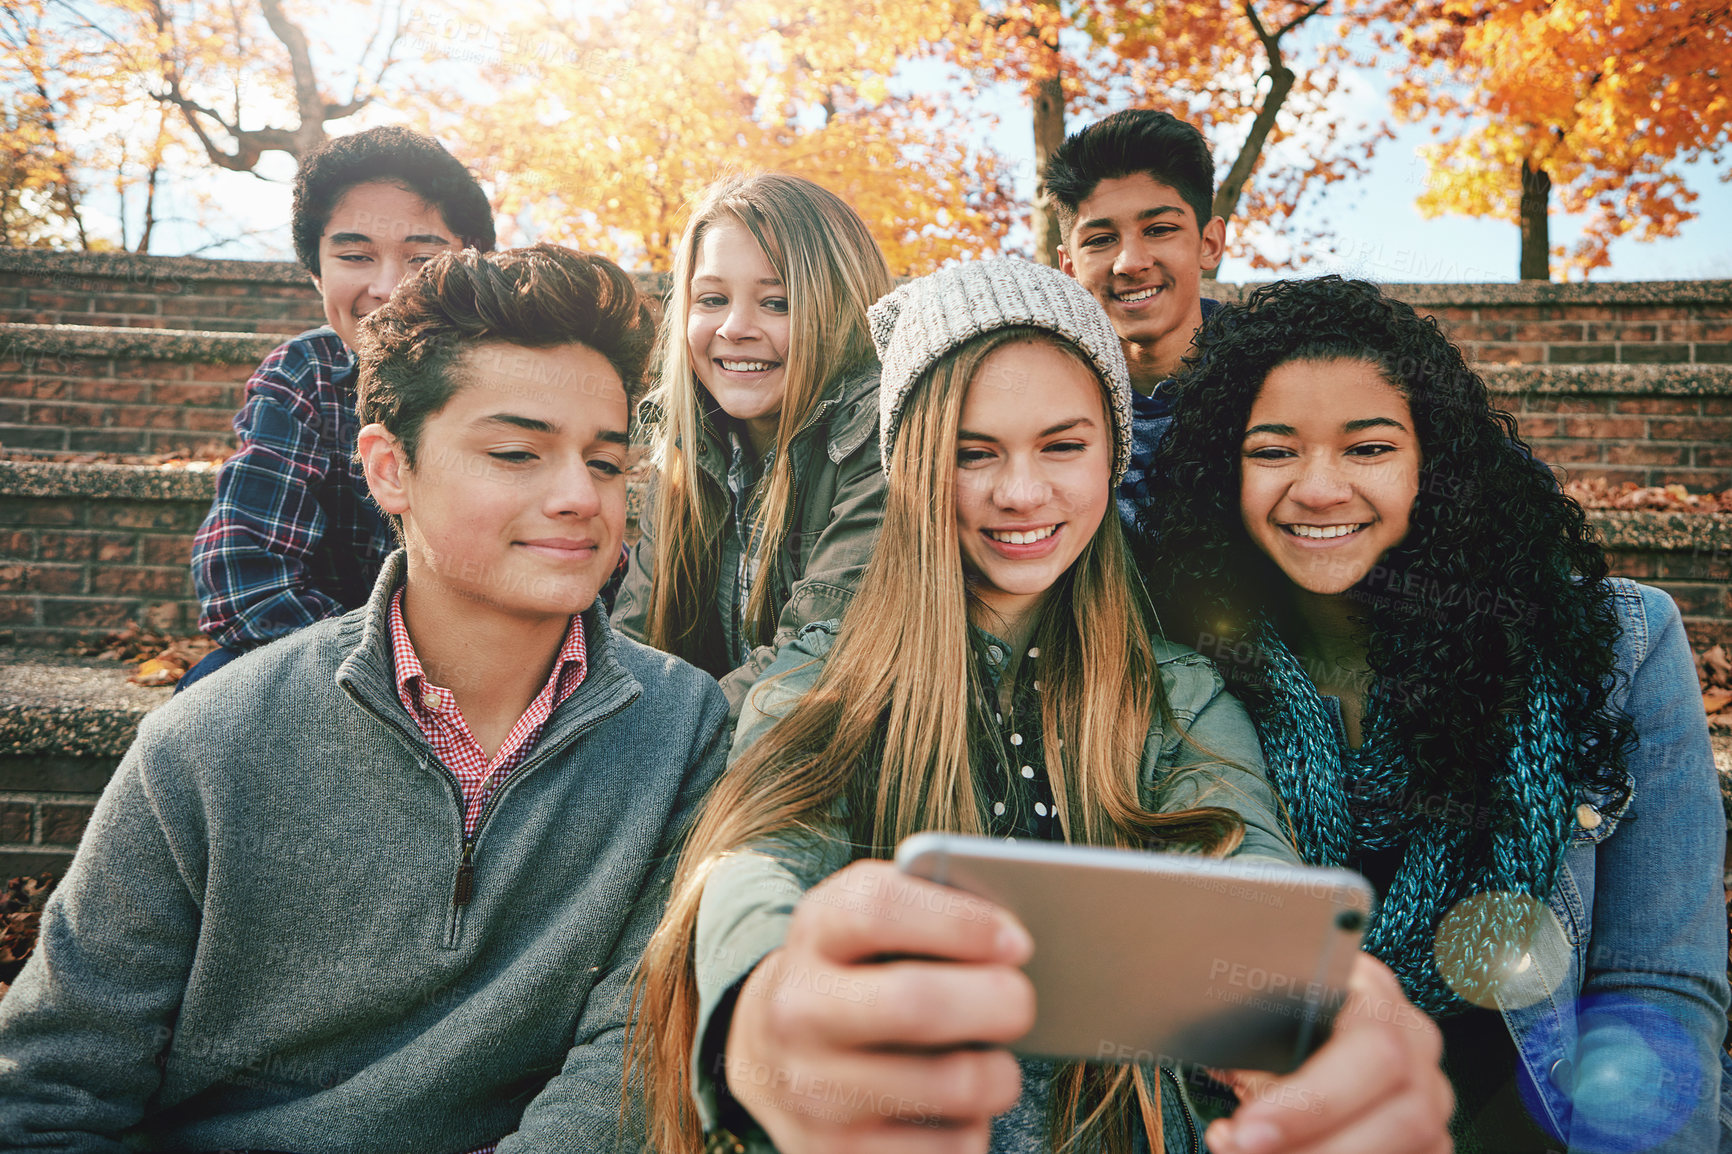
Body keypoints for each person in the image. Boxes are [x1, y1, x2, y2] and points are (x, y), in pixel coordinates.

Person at [629, 259, 1454, 1154]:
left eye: (1063, 445)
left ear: (1113, 451)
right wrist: (761, 997)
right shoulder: (821, 677)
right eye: (972, 452)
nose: (1020, 493)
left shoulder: (1177, 692)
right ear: (909, 466)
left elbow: (1248, 877)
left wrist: (1309, 1020)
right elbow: (757, 858)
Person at [0, 245, 728, 1151]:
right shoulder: (208, 743)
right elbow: (51, 1092)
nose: (580, 496)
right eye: (516, 452)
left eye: (608, 463)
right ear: (389, 469)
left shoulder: (686, 729)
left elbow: (630, 1059)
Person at [1138, 275, 1730, 1152]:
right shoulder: (1179, 672)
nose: (1320, 487)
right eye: (1272, 451)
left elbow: (1659, 982)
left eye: (1368, 448)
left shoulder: (1616, 644)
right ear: (1224, 471)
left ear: (1432, 465)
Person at [182, 125, 495, 691]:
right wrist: (388, 676)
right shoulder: (304, 375)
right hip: (329, 655)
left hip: (498, 664)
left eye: (422, 258)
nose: (388, 287)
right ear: (316, 272)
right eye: (355, 255)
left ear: (474, 267)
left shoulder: (518, 378)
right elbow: (244, 581)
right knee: (210, 690)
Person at [611, 172, 892, 716]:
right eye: (712, 298)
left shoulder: (882, 437)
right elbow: (634, 642)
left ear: (841, 310)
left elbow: (813, 662)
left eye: (778, 303)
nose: (735, 327)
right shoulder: (687, 447)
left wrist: (648, 746)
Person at [1040, 108, 1227, 529]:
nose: (1130, 263)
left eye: (1159, 229)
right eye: (1101, 240)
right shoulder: (1041, 399)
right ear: (1069, 268)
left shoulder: (1277, 380)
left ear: (1209, 243)